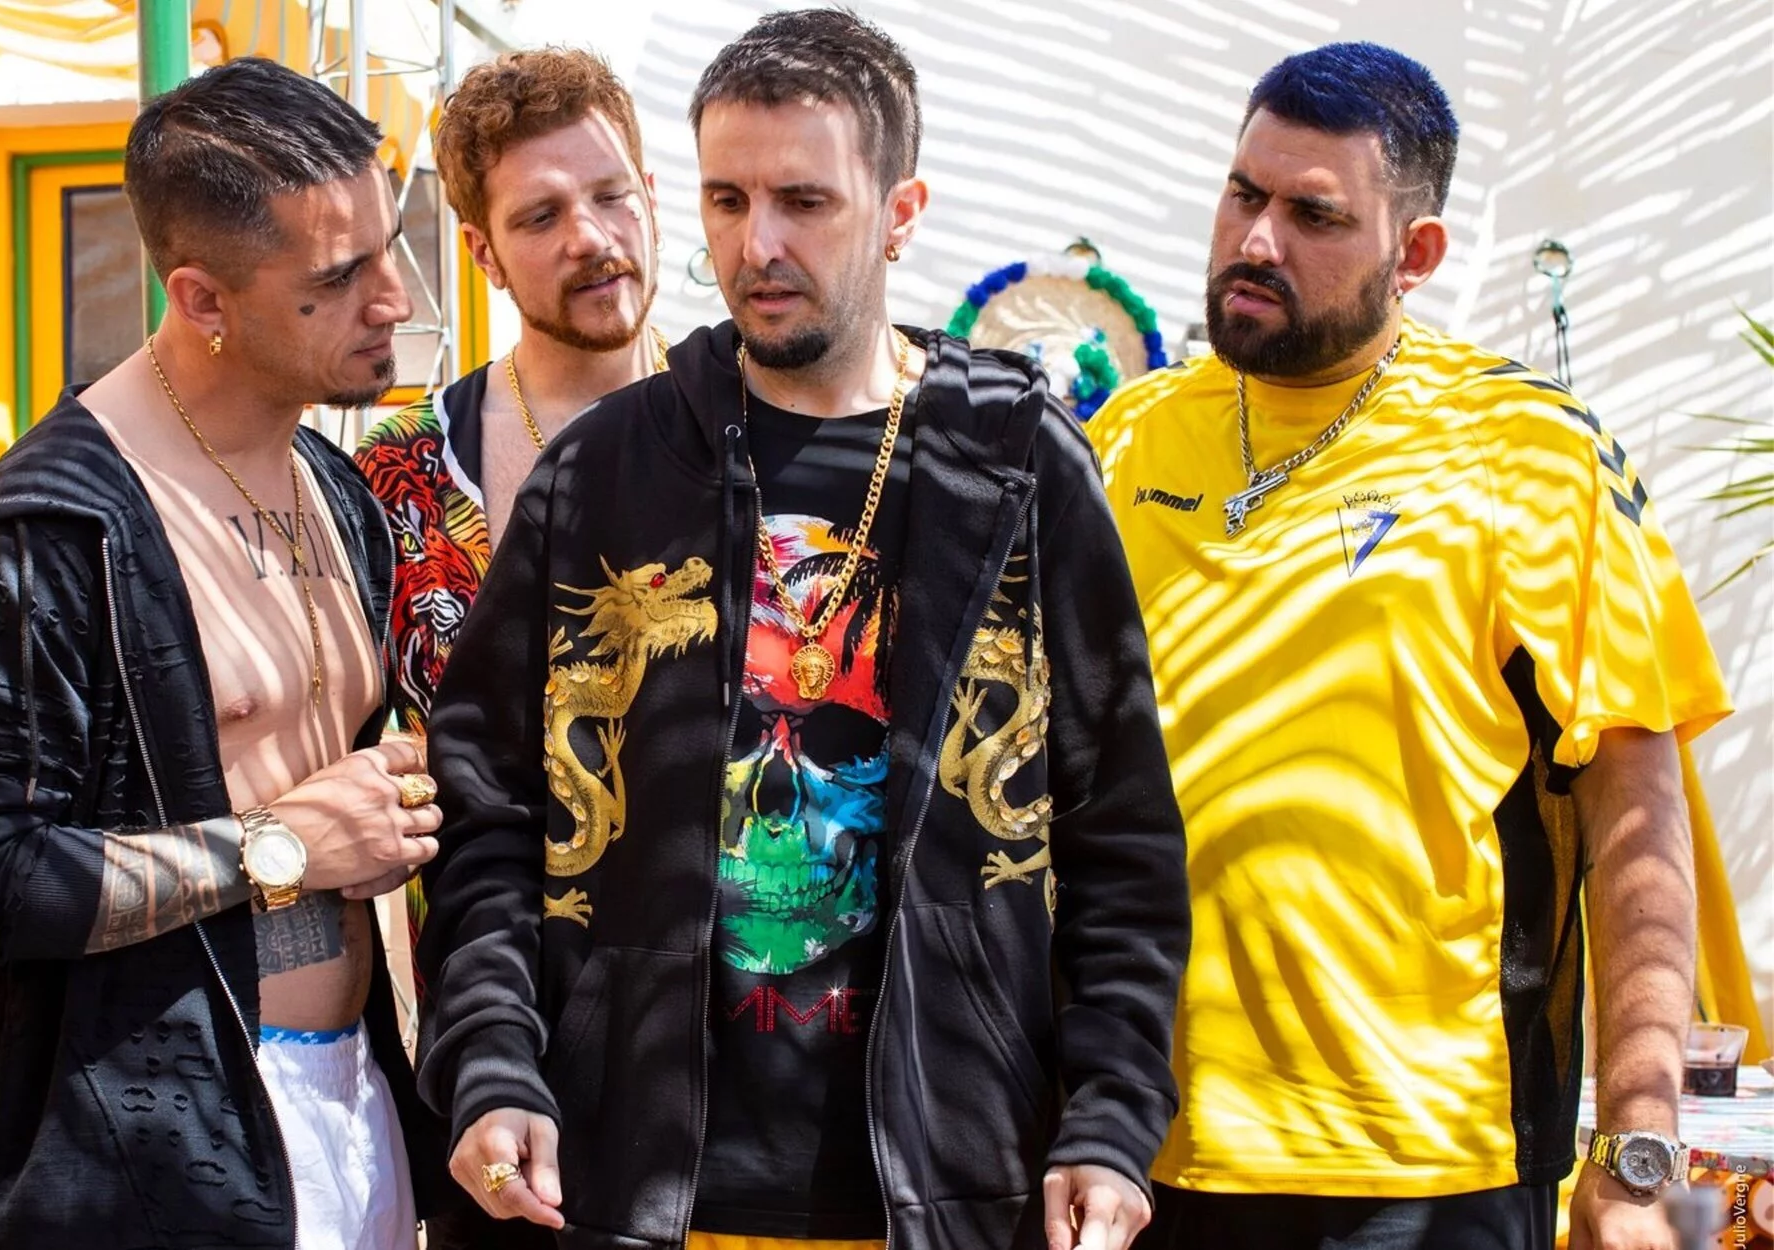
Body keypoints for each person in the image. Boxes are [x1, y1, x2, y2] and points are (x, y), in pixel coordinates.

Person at [417, 10, 1189, 1250]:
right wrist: (491, 1057)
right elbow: (489, 811)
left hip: (949, 1183)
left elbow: (1119, 829)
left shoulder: (1008, 463)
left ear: (898, 211)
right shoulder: (606, 470)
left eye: (804, 201)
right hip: (632, 1186)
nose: (756, 245)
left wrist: (1107, 1116)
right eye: (725, 200)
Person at [1084, 42, 1732, 1250]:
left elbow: (1635, 807)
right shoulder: (1125, 436)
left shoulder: (1527, 452)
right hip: (1132, 1153)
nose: (1255, 240)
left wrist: (1635, 1151)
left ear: (1415, 252)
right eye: (1242, 193)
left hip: (1421, 1168)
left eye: (1312, 214)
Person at [0, 58, 452, 1249]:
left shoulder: (334, 485)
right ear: (201, 299)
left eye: (386, 248)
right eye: (336, 278)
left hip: (353, 1106)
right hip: (156, 1169)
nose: (394, 297)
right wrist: (281, 844)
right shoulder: (49, 530)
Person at [354, 46, 664, 972]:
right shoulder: (399, 473)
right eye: (541, 215)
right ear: (482, 252)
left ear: (652, 198)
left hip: (724, 996)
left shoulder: (754, 428)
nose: (590, 237)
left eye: (611, 195)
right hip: (492, 985)